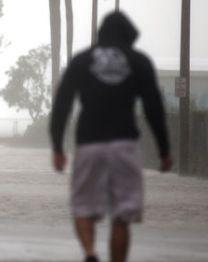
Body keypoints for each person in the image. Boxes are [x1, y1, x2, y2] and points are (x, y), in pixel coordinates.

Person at [49, 12, 172, 262]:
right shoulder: (138, 61)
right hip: (124, 144)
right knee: (121, 215)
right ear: (129, 36)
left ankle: (90, 252)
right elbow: (153, 107)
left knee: (82, 207)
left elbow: (62, 104)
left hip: (88, 144)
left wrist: (57, 147)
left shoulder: (82, 60)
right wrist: (164, 149)